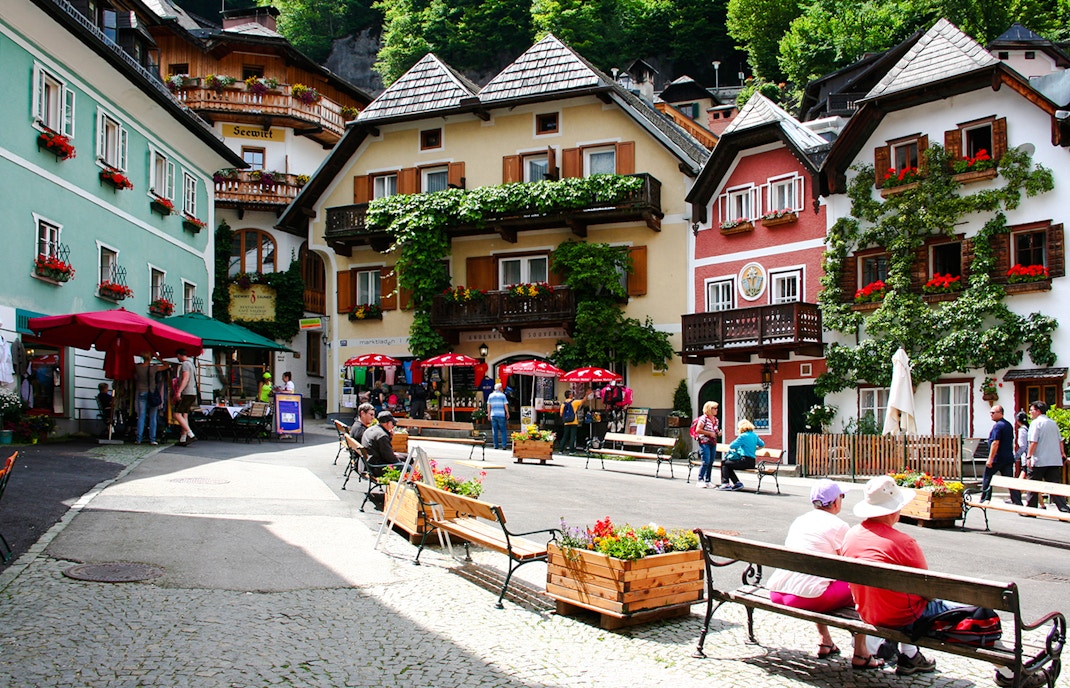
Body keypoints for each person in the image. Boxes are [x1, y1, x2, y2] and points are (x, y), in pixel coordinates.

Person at [841, 475, 957, 676]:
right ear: (894, 510)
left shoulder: (851, 535)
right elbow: (927, 591)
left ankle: (910, 656)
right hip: (902, 616)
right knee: (974, 610)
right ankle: (1007, 671)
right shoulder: (904, 543)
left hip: (868, 611)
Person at [766, 480, 883, 669]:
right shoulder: (838, 526)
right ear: (835, 502)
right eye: (841, 497)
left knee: (816, 578)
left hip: (779, 592)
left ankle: (825, 640)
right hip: (807, 597)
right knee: (862, 583)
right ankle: (861, 653)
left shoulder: (800, 520)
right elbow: (849, 565)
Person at [1024, 400, 1070, 513]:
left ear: (1038, 411)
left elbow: (1033, 442)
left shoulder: (1036, 423)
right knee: (1055, 486)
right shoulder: (1052, 423)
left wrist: (1029, 456)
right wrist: (1062, 454)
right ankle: (1063, 508)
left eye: (1032, 410)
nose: (1030, 412)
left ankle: (1031, 509)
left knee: (1033, 484)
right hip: (1054, 459)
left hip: (1039, 459)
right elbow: (1060, 440)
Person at [983, 405, 1021, 505]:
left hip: (997, 458)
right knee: (1009, 480)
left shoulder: (998, 426)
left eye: (993, 412)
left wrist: (990, 459)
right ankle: (1017, 501)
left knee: (988, 477)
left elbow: (995, 442)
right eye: (990, 412)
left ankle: (984, 499)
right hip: (1007, 457)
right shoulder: (1008, 425)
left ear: (1000, 413)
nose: (991, 414)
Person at [718, 418, 764, 490]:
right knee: (728, 464)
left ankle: (725, 483)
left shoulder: (743, 436)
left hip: (744, 461)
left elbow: (732, 446)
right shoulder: (754, 435)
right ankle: (737, 483)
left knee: (724, 463)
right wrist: (755, 448)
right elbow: (762, 444)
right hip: (752, 462)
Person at [360, 411, 406, 477]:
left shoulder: (371, 429)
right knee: (408, 465)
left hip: (370, 463)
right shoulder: (382, 435)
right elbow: (390, 458)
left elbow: (385, 450)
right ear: (388, 423)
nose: (393, 426)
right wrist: (401, 463)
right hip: (378, 467)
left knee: (405, 457)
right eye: (392, 423)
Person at [134, 353, 165, 445]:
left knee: (141, 416)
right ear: (151, 358)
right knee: (153, 417)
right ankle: (152, 439)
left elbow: (134, 376)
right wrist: (158, 357)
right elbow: (166, 365)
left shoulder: (138, 368)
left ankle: (138, 439)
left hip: (141, 391)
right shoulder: (153, 368)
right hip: (152, 393)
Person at [173, 348, 197, 446]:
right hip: (192, 392)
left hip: (187, 392)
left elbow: (185, 378)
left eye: (177, 356)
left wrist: (179, 391)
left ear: (179, 355)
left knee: (176, 414)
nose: (177, 358)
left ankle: (191, 434)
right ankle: (183, 438)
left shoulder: (185, 364)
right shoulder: (192, 364)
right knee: (184, 414)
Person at [693, 401, 720, 488]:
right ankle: (700, 479)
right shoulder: (703, 418)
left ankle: (708, 480)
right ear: (709, 409)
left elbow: (715, 430)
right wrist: (709, 433)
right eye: (714, 408)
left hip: (713, 442)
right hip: (704, 442)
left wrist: (718, 433)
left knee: (711, 461)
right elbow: (698, 430)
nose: (716, 410)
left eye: (716, 408)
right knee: (706, 461)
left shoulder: (716, 420)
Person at [557, 390, 583, 454]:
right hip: (574, 421)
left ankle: (560, 450)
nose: (572, 395)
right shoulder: (574, 402)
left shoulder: (563, 404)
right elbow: (583, 401)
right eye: (571, 394)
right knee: (572, 437)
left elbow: (561, 414)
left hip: (566, 422)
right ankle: (572, 451)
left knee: (565, 436)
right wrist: (587, 395)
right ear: (569, 395)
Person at [487, 382, 509, 450]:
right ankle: (504, 445)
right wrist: (507, 413)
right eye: (501, 387)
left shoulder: (490, 395)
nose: (502, 389)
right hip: (501, 415)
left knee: (494, 430)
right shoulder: (502, 395)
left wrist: (489, 414)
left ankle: (496, 445)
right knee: (503, 430)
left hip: (493, 414)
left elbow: (488, 405)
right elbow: (505, 405)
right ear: (499, 388)